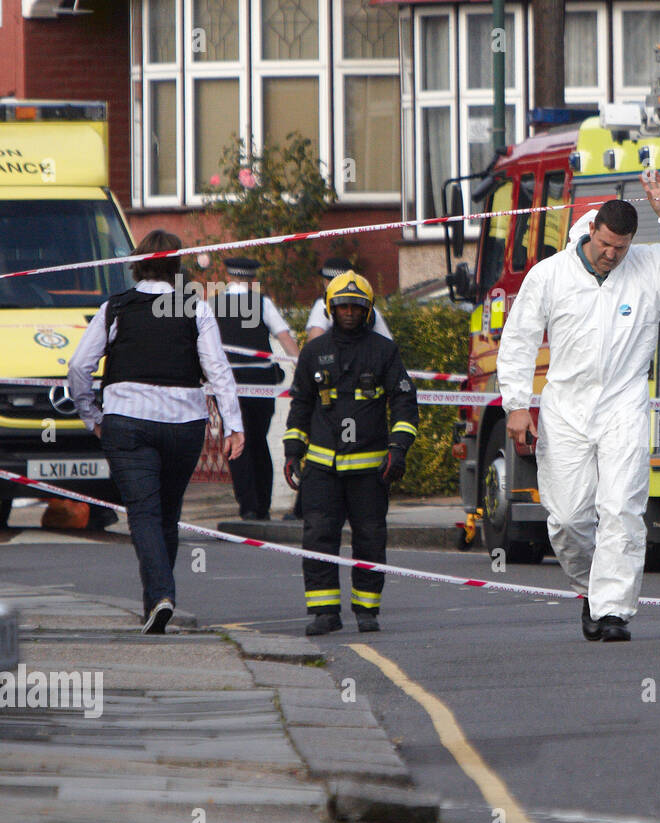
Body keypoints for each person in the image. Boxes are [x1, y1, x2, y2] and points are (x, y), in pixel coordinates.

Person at [495, 173, 660, 642]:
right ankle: (589, 590)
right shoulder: (551, 275)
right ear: (591, 229)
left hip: (623, 405)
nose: (611, 255)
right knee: (569, 518)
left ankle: (613, 611)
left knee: (621, 508)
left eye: (620, 247)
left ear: (632, 242)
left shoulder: (648, 268)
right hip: (565, 408)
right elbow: (518, 341)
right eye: (605, 245)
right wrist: (517, 404)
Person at [68, 229, 245, 634]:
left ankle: (161, 596)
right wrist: (234, 426)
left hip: (127, 422)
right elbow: (218, 370)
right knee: (167, 513)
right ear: (175, 266)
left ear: (138, 264)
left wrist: (90, 413)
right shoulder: (194, 308)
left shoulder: (115, 308)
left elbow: (79, 367)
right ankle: (157, 604)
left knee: (144, 514)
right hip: (184, 426)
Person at [283, 270, 417, 635]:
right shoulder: (313, 352)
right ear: (330, 308)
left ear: (368, 309)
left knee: (370, 537)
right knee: (318, 537)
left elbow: (405, 402)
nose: (349, 312)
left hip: (371, 471)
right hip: (322, 469)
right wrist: (293, 450)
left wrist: (398, 448)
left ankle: (366, 609)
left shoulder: (384, 352)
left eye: (357, 307)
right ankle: (325, 612)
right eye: (342, 305)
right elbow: (301, 405)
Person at [211, 257, 300, 521]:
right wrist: (304, 370)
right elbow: (285, 338)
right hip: (261, 384)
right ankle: (262, 504)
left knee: (237, 442)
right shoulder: (262, 303)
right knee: (258, 441)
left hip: (228, 385)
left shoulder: (213, 305)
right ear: (251, 279)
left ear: (228, 277)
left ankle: (248, 506)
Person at [305, 257, 392, 341]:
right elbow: (387, 343)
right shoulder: (368, 308)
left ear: (325, 281)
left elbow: (315, 339)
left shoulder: (323, 305)